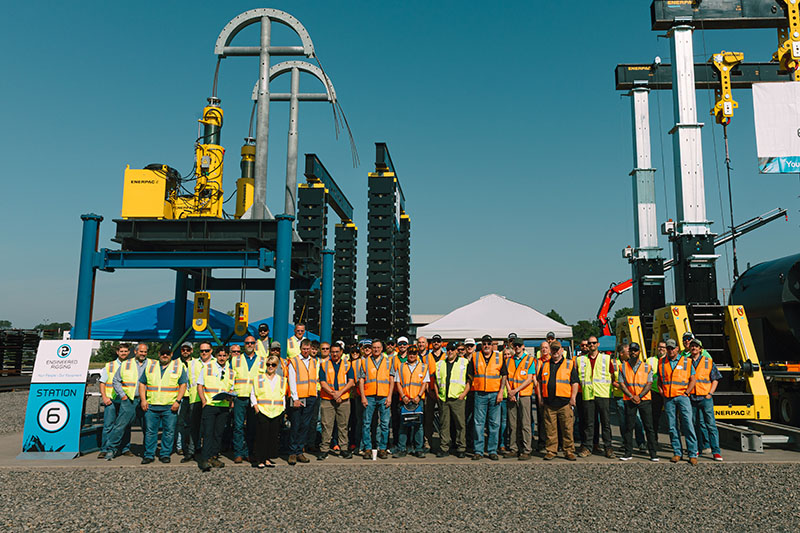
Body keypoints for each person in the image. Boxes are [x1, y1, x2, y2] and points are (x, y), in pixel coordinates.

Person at [138, 344, 188, 464]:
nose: (165, 355)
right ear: (159, 354)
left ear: (171, 355)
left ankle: (165, 454)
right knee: (150, 432)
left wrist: (178, 401)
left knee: (169, 431)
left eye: (167, 353)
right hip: (151, 405)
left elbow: (183, 385)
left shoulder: (178, 366)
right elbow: (142, 384)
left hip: (170, 406)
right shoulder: (150, 366)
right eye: (162, 353)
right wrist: (143, 400)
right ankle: (149, 455)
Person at [104, 342, 149, 460]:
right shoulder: (126, 364)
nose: (143, 354)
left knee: (147, 427)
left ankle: (148, 451)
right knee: (120, 426)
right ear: (135, 352)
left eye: (145, 352)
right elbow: (116, 381)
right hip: (129, 400)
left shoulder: (152, 364)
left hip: (145, 400)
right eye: (141, 351)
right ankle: (111, 449)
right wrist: (123, 396)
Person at [658, 338, 699, 465]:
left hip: (682, 397)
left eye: (672, 348)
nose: (670, 350)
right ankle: (677, 453)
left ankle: (692, 454)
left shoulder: (687, 361)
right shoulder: (661, 362)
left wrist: (687, 392)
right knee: (672, 426)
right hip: (669, 398)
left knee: (688, 424)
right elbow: (659, 379)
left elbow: (693, 379)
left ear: (677, 349)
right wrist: (661, 392)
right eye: (668, 348)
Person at [538, 341, 579, 461]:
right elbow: (540, 382)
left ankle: (569, 451)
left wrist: (573, 398)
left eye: (557, 349)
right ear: (550, 351)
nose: (555, 352)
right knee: (550, 429)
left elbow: (575, 382)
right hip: (549, 403)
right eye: (553, 349)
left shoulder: (569, 364)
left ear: (561, 350)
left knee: (567, 429)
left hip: (565, 403)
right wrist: (540, 397)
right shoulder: (545, 364)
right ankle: (551, 451)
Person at [576, 336, 615, 459]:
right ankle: (588, 447)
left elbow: (613, 375)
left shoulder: (606, 358)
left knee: (605, 423)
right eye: (589, 343)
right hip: (588, 394)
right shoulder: (581, 360)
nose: (591, 345)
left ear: (598, 344)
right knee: (589, 423)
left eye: (593, 343)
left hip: (602, 394)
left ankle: (608, 448)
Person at [617, 346, 659, 461]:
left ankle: (653, 453)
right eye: (631, 351)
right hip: (629, 400)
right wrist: (631, 396)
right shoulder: (623, 367)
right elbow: (621, 384)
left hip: (644, 399)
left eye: (635, 350)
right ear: (629, 352)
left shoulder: (647, 366)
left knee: (649, 426)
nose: (633, 352)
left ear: (639, 352)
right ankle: (628, 453)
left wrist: (639, 396)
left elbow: (649, 383)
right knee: (629, 427)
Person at [197, 346, 235, 471]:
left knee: (218, 433)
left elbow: (231, 388)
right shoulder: (207, 368)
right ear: (216, 356)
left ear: (228, 356)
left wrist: (230, 397)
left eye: (224, 356)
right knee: (208, 432)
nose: (222, 358)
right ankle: (205, 459)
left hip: (223, 406)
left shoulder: (231, 372)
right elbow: (200, 386)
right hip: (210, 405)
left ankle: (214, 456)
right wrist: (203, 401)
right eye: (220, 355)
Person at [231, 336, 267, 463]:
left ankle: (250, 452)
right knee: (238, 426)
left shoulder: (263, 360)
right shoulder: (236, 360)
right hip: (240, 397)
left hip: (255, 399)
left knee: (253, 427)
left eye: (252, 343)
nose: (250, 344)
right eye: (247, 343)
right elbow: (231, 379)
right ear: (243, 345)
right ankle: (238, 453)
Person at [471, 335, 506, 461]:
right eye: (484, 343)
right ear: (481, 345)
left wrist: (501, 391)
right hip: (480, 394)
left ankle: (492, 450)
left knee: (494, 424)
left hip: (494, 394)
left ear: (492, 345)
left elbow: (504, 375)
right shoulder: (475, 357)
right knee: (478, 424)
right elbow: (470, 375)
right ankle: (478, 451)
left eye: (488, 344)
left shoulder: (499, 357)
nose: (486, 346)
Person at [318, 342, 355, 460]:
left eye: (336, 351)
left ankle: (344, 449)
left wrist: (340, 393)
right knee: (326, 425)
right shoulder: (324, 365)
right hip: (327, 399)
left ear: (341, 352)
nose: (334, 354)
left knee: (343, 425)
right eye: (332, 351)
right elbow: (322, 383)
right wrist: (334, 394)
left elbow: (351, 381)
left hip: (343, 399)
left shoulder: (347, 365)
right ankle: (324, 450)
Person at [688, 338, 723, 461]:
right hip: (691, 398)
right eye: (692, 346)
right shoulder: (686, 362)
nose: (694, 348)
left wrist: (710, 393)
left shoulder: (708, 362)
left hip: (705, 398)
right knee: (694, 425)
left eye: (696, 346)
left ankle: (716, 451)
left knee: (711, 425)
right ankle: (697, 449)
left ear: (700, 349)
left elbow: (715, 379)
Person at [358, 339, 393, 459]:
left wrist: (389, 396)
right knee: (366, 423)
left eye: (378, 347)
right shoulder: (365, 362)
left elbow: (392, 380)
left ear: (382, 348)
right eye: (374, 347)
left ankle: (382, 448)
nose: (376, 349)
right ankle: (367, 448)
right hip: (369, 396)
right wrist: (363, 396)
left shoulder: (388, 361)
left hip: (384, 396)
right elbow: (361, 380)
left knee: (384, 424)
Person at [435, 342, 471, 458]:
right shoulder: (440, 364)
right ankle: (444, 447)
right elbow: (436, 381)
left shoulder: (464, 362)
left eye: (452, 349)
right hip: (444, 399)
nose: (450, 351)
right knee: (444, 425)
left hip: (458, 398)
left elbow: (469, 381)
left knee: (460, 424)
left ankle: (461, 448)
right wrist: (437, 394)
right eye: (448, 349)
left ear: (456, 351)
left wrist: (463, 394)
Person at [393, 346, 429, 457]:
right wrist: (403, 396)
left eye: (414, 353)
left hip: (418, 400)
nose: (412, 355)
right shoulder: (401, 366)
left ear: (417, 354)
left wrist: (419, 396)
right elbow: (398, 382)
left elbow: (425, 382)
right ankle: (402, 448)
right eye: (410, 353)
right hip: (405, 400)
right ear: (407, 354)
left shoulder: (423, 366)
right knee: (403, 424)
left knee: (419, 425)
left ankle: (418, 449)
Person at [251, 354, 285, 468]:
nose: (270, 367)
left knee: (272, 436)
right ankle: (260, 459)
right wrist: (256, 408)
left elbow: (282, 395)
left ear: (277, 366)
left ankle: (268, 459)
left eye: (273, 365)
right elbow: (253, 394)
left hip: (276, 411)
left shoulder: (281, 380)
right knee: (261, 436)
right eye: (268, 364)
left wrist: (283, 409)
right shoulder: (259, 378)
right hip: (262, 410)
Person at [504, 338, 536, 460]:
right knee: (513, 424)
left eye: (519, 345)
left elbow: (529, 378)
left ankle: (526, 450)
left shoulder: (529, 360)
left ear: (523, 346)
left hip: (524, 395)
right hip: (512, 395)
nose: (516, 347)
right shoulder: (508, 361)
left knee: (525, 424)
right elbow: (505, 377)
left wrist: (516, 391)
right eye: (515, 346)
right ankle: (514, 448)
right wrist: (510, 391)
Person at [287, 339, 318, 465]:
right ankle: (292, 452)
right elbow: (292, 380)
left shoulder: (314, 361)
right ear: (301, 349)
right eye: (304, 349)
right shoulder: (294, 361)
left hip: (310, 397)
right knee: (296, 425)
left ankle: (300, 451)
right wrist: (295, 398)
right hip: (298, 398)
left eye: (308, 349)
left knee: (305, 426)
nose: (306, 351)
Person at [98, 343, 131, 459]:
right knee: (108, 425)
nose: (124, 353)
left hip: (126, 400)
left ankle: (125, 448)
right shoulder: (109, 366)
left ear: (129, 352)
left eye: (126, 351)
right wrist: (104, 397)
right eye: (121, 351)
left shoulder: (131, 365)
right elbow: (102, 383)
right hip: (111, 400)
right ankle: (104, 449)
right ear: (117, 352)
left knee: (126, 425)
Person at [182, 342, 212, 463]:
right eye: (202, 351)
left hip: (210, 400)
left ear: (211, 351)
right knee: (193, 428)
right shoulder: (192, 363)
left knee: (209, 429)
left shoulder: (215, 363)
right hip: (194, 399)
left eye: (206, 350)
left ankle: (208, 453)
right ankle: (191, 452)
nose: (204, 353)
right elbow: (188, 382)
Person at [613, 343, 646, 452]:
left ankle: (641, 443)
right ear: (621, 353)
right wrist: (623, 387)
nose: (631, 352)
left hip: (633, 397)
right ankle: (626, 443)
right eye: (628, 351)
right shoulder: (614, 364)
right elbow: (612, 380)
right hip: (620, 397)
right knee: (623, 422)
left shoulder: (632, 363)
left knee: (637, 421)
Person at [423, 334, 445, 452]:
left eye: (438, 341)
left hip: (443, 392)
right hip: (430, 392)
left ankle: (443, 444)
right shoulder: (426, 357)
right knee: (428, 419)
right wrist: (429, 391)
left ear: (441, 343)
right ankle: (428, 443)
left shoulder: (446, 356)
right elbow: (424, 375)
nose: (436, 343)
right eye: (434, 341)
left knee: (444, 419)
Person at [390, 337, 410, 449]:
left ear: (407, 345)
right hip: (396, 393)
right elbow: (392, 375)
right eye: (400, 344)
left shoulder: (412, 356)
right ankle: (397, 442)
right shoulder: (394, 359)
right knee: (396, 419)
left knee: (410, 418)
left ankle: (408, 443)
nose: (402, 346)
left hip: (409, 393)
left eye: (404, 344)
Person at [175, 342, 194, 458]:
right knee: (180, 423)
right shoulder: (175, 363)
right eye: (183, 350)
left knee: (193, 423)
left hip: (192, 396)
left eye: (188, 349)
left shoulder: (196, 363)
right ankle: (180, 446)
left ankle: (192, 445)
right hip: (180, 397)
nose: (185, 351)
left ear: (191, 350)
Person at [348, 340, 367, 454]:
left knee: (359, 420)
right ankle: (353, 442)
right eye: (352, 351)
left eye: (357, 351)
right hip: (350, 394)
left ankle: (358, 443)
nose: (355, 353)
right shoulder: (347, 362)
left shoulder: (362, 362)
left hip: (359, 395)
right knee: (351, 421)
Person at [647, 340, 666, 443]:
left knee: (672, 420)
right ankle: (654, 439)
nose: (661, 349)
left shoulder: (669, 360)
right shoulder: (650, 360)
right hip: (655, 393)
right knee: (654, 418)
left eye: (663, 347)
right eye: (659, 347)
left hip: (668, 392)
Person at [534, 340, 551, 452]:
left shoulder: (552, 361)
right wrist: (539, 394)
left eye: (546, 347)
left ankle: (552, 442)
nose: (544, 349)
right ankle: (541, 441)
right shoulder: (537, 362)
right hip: (540, 393)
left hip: (551, 394)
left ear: (549, 349)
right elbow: (535, 378)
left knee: (551, 420)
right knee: (541, 419)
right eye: (542, 348)